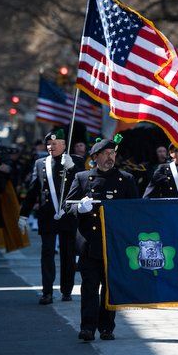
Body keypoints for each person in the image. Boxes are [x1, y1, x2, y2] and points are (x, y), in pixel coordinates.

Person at [67, 135, 139, 342]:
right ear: (95, 157)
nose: (110, 157)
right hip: (90, 243)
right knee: (89, 287)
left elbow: (136, 211)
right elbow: (67, 205)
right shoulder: (82, 178)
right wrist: (79, 207)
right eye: (106, 154)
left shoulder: (126, 179)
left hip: (114, 243)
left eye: (113, 153)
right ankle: (87, 327)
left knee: (109, 288)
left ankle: (107, 327)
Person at [19, 128, 82, 305]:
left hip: (68, 215)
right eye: (48, 144)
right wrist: (23, 214)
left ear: (63, 144)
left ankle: (66, 290)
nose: (51, 147)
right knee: (47, 253)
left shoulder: (75, 160)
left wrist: (72, 168)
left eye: (55, 144)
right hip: (48, 214)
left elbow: (84, 183)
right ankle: (47, 291)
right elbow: (33, 190)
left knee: (67, 254)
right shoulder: (40, 163)